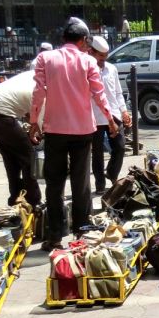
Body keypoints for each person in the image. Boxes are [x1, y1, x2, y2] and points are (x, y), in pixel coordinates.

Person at [29, 17, 117, 251]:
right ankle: (81, 231)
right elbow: (99, 94)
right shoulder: (88, 61)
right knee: (81, 183)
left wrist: (33, 122)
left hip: (55, 130)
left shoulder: (44, 59)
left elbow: (38, 93)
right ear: (82, 41)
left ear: (63, 39)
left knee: (54, 184)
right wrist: (109, 119)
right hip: (82, 131)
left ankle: (55, 235)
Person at [0, 70, 42, 207]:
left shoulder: (31, 76)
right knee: (29, 157)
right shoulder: (40, 87)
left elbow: (31, 116)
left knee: (11, 158)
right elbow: (41, 124)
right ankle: (33, 201)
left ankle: (15, 198)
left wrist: (33, 129)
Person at [88, 36, 132, 195]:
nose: (103, 59)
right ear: (92, 52)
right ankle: (100, 184)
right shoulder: (86, 69)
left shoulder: (111, 69)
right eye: (100, 56)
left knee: (119, 147)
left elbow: (118, 93)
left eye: (105, 56)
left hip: (113, 113)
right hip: (94, 117)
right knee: (97, 152)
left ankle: (112, 174)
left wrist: (124, 111)